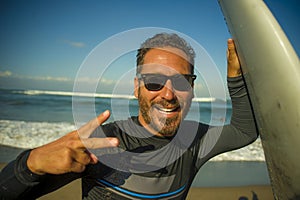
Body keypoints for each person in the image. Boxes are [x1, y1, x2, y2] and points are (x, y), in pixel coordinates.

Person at [0, 33, 258, 199]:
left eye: (180, 81)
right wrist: (29, 165)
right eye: (154, 82)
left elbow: (245, 131)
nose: (168, 95)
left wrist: (236, 76)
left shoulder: (195, 141)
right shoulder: (103, 144)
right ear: (137, 88)